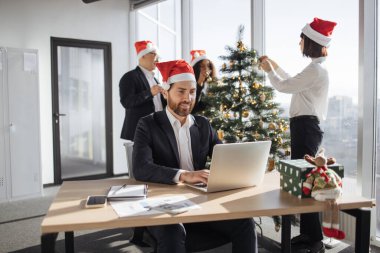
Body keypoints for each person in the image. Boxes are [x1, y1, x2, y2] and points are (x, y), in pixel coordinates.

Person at [132, 59, 257, 253]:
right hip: (163, 203)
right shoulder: (147, 124)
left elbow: (224, 157)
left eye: (192, 92)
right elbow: (141, 168)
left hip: (200, 202)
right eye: (181, 91)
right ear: (165, 92)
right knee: (172, 232)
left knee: (245, 223)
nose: (188, 98)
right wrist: (184, 175)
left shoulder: (203, 124)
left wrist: (239, 170)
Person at [260, 17, 337, 253]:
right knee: (305, 181)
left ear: (310, 42)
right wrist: (275, 65)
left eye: (301, 39)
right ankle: (309, 235)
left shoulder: (315, 70)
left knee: (306, 181)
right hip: (304, 127)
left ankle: (314, 239)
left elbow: (285, 86)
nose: (299, 43)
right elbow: (293, 80)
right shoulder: (314, 70)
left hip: (305, 127)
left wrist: (269, 70)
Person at [119, 40, 166, 141]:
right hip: (140, 132)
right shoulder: (130, 77)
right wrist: (150, 93)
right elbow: (126, 102)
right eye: (154, 54)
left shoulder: (155, 79)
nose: (158, 59)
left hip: (158, 131)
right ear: (143, 55)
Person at [189, 50, 216, 114]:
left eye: (208, 66)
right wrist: (199, 84)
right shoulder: (189, 86)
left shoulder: (212, 85)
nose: (206, 69)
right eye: (202, 66)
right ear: (196, 68)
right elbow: (191, 109)